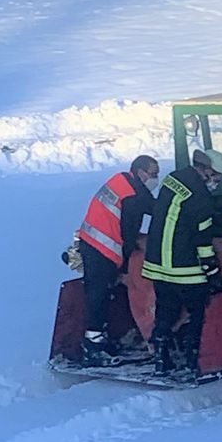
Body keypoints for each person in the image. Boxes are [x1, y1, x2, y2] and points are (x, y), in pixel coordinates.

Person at [142, 148, 222, 380]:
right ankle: (193, 360)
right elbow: (202, 239)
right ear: (209, 171)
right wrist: (211, 268)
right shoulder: (201, 196)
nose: (216, 184)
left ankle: (162, 360)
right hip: (184, 268)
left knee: (165, 311)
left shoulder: (173, 178)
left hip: (157, 263)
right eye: (218, 179)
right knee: (197, 313)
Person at [78, 154, 159, 365]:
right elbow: (129, 234)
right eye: (153, 174)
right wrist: (123, 268)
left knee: (101, 294)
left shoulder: (122, 181)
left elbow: (152, 206)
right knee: (99, 295)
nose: (155, 179)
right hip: (102, 249)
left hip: (90, 240)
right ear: (140, 172)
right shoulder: (132, 198)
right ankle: (93, 346)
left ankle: (99, 339)